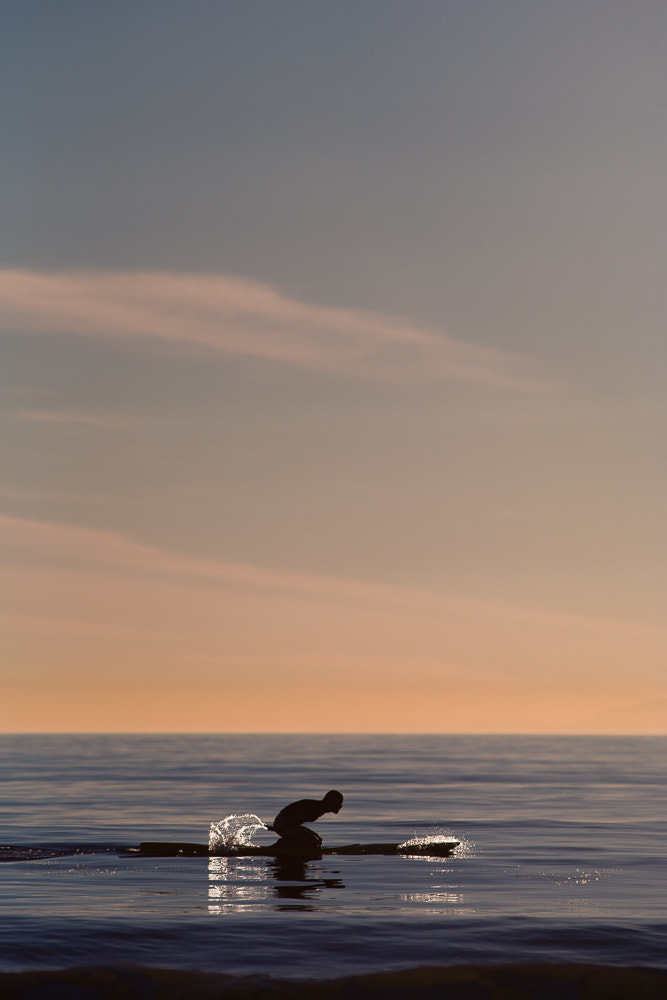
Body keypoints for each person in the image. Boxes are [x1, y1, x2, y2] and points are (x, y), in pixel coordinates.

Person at [267, 790, 344, 848]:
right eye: (339, 803)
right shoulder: (316, 809)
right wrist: (279, 829)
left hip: (288, 823)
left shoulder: (320, 808)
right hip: (283, 822)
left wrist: (314, 834)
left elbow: (296, 824)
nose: (340, 806)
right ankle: (282, 845)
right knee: (311, 841)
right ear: (331, 802)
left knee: (316, 841)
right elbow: (294, 818)